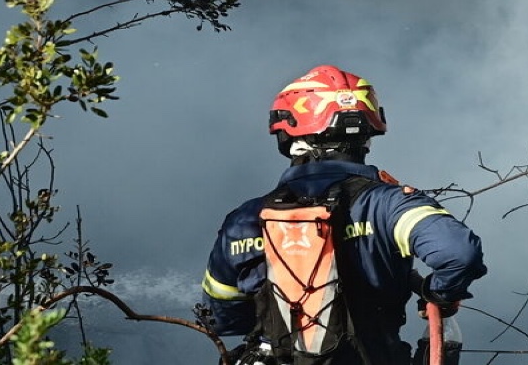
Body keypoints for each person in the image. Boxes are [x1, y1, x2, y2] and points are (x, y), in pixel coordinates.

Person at [200, 65, 487, 365]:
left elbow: (221, 318)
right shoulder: (390, 205)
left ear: (287, 132)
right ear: (368, 131)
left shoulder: (245, 220)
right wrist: (438, 293)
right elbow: (459, 254)